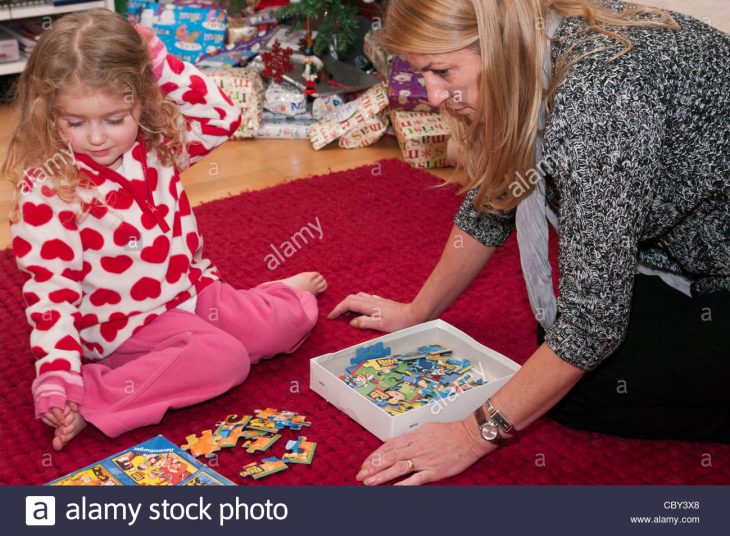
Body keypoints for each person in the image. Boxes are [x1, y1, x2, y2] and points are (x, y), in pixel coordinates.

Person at [329, 0, 730, 485]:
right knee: (556, 358)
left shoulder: (600, 96)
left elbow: (593, 324)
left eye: (440, 70)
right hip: (690, 254)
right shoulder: (543, 42)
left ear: (496, 45)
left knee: (584, 384)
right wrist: (419, 311)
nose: (433, 96)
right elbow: (498, 196)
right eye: (421, 73)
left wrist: (472, 435)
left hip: (710, 264)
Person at [2, 9, 327, 451]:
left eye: (114, 119)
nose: (96, 138)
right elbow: (50, 294)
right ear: (48, 112)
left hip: (190, 291)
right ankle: (98, 392)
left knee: (288, 321)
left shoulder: (158, 144)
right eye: (74, 123)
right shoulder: (48, 188)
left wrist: (156, 60)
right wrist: (58, 375)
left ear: (142, 100)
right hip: (123, 327)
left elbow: (222, 116)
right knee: (225, 361)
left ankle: (266, 296)